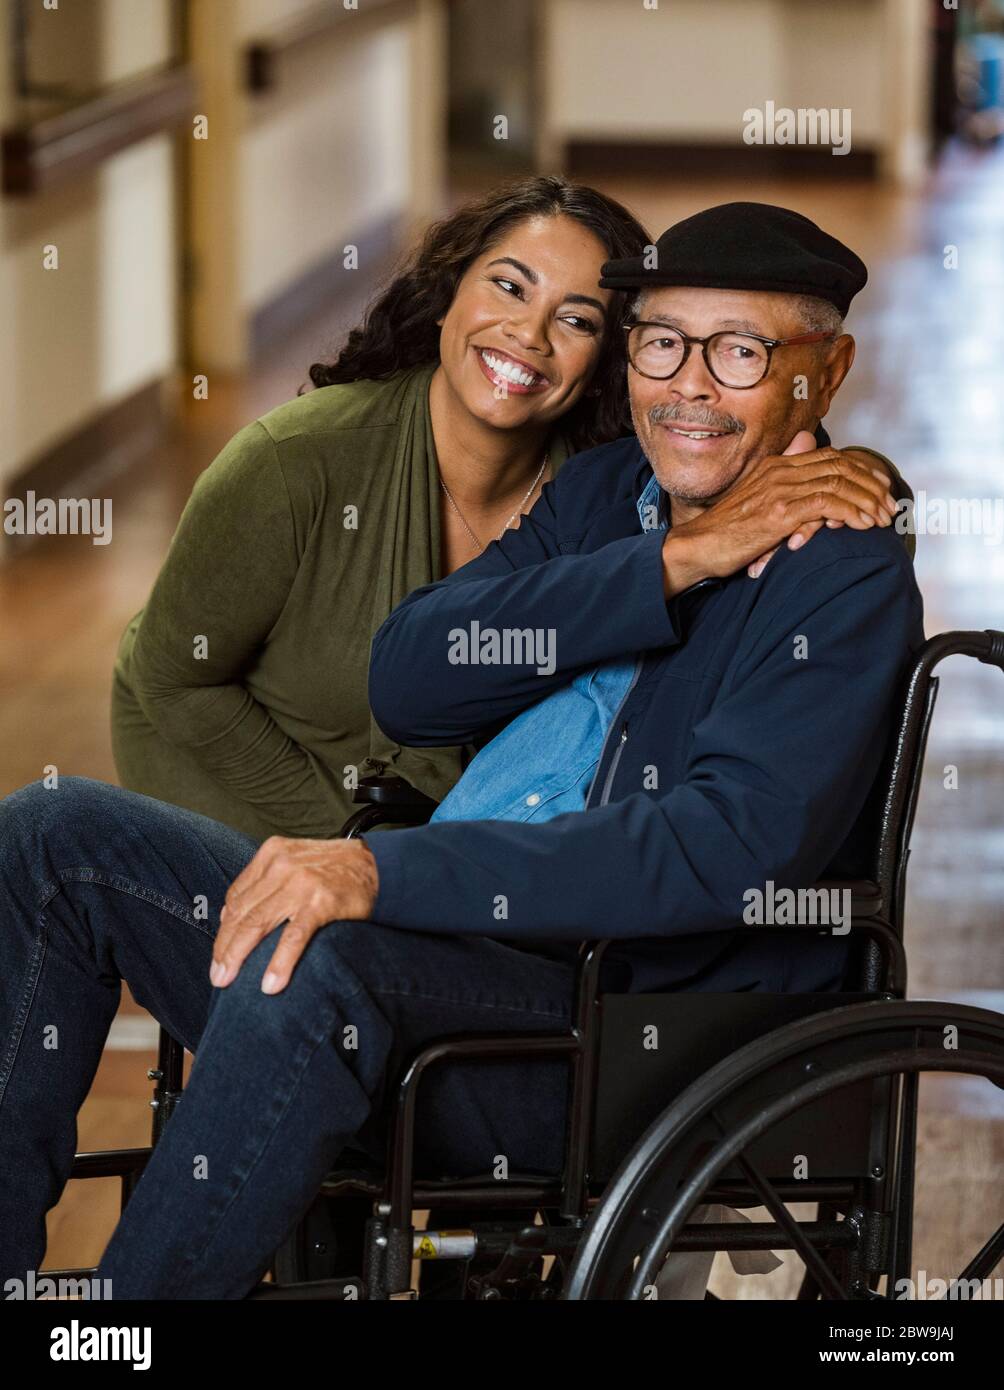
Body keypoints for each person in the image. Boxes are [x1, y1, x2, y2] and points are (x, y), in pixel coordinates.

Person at [0, 203, 922, 1300]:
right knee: (51, 839)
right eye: (661, 341)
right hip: (457, 955)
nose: (687, 387)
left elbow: (720, 851)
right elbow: (412, 676)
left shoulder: (841, 571)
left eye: (738, 352)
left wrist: (380, 871)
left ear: (824, 370)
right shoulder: (598, 496)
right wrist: (667, 565)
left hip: (617, 1026)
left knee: (317, 958)